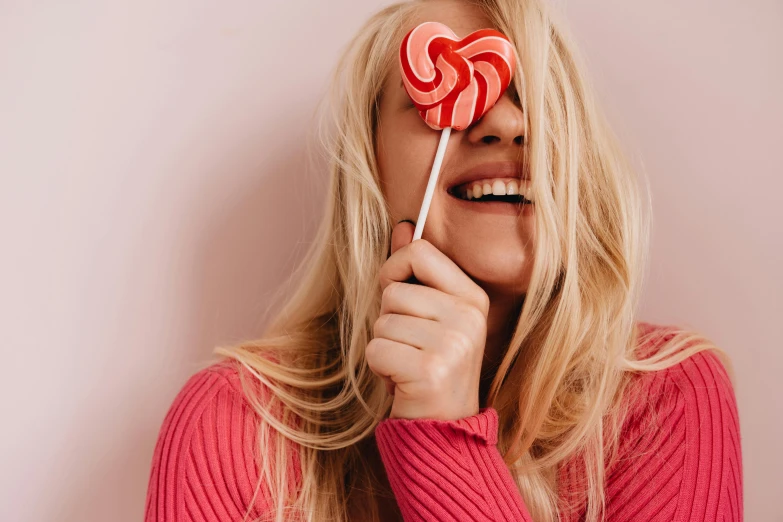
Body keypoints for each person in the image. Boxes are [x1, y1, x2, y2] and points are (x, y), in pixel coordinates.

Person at [143, 0, 743, 520]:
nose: (505, 122)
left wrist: (442, 434)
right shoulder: (236, 425)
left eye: (533, 96)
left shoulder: (669, 398)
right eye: (442, 98)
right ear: (372, 160)